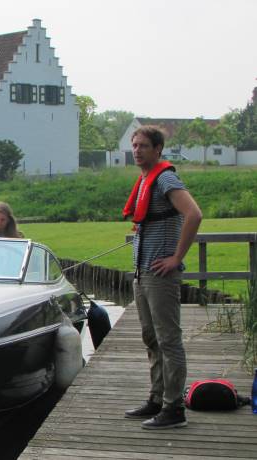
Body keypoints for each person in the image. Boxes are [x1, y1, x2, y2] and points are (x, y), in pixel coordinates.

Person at [122, 126, 202, 430]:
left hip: (160, 275)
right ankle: (157, 398)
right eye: (134, 145)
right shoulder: (144, 180)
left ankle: (174, 408)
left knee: (169, 340)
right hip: (142, 273)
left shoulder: (165, 178)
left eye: (143, 145)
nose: (137, 150)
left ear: (158, 149)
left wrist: (176, 258)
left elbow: (193, 214)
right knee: (151, 338)